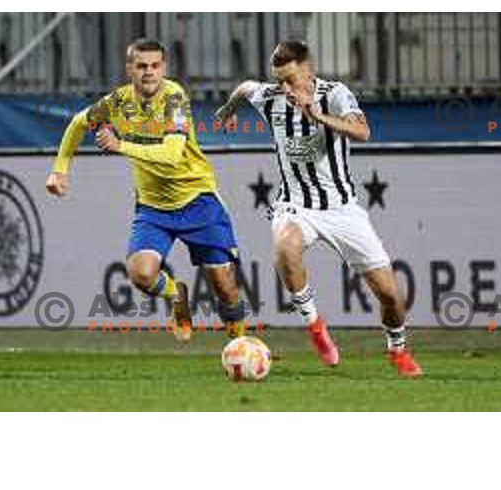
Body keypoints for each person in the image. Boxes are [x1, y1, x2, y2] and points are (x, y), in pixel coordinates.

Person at [216, 41, 422, 377]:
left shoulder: (335, 94)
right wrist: (228, 110)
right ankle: (315, 327)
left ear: (309, 69)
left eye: (291, 79)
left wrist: (317, 115)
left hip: (342, 209)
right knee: (285, 247)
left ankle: (397, 350)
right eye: (279, 80)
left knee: (391, 296)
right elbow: (244, 88)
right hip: (295, 205)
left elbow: (362, 131)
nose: (284, 87)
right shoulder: (270, 98)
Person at [46, 38, 247, 341]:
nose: (149, 72)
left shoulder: (174, 97)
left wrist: (120, 145)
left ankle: (240, 343)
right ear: (130, 69)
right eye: (141, 66)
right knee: (141, 273)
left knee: (224, 285)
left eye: (155, 66)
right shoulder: (118, 102)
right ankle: (176, 295)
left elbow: (170, 154)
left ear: (164, 68)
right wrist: (59, 170)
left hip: (197, 199)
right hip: (153, 207)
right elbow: (78, 123)